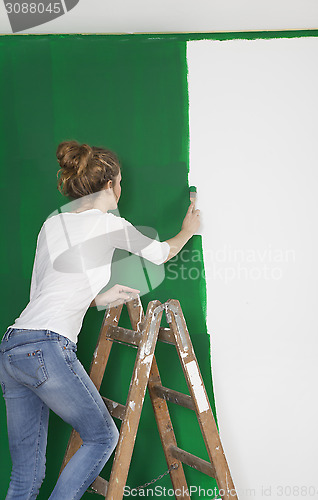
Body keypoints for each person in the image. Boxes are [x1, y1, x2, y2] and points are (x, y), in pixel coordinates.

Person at [0, 140, 201, 500]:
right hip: (48, 346)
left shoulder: (53, 224)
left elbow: (42, 293)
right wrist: (188, 230)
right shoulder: (110, 223)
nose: (121, 189)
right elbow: (159, 254)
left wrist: (97, 299)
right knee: (103, 436)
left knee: (25, 473)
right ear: (109, 185)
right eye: (120, 182)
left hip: (13, 346)